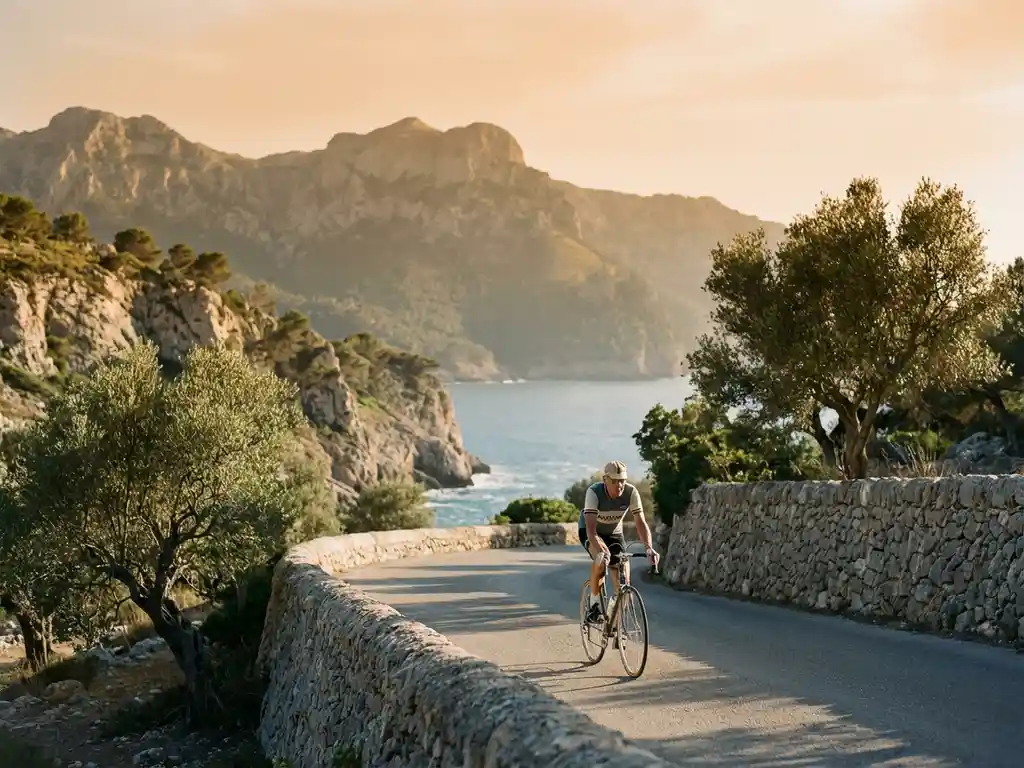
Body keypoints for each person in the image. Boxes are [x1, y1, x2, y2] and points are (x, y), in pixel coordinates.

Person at [578, 460, 660, 625]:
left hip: (615, 533)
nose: (619, 485)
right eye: (615, 481)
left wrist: (649, 548)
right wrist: (603, 551)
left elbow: (640, 522)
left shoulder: (631, 492)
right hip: (592, 532)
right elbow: (591, 532)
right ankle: (594, 604)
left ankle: (614, 625)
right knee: (602, 559)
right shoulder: (593, 492)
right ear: (605, 480)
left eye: (622, 480)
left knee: (624, 584)